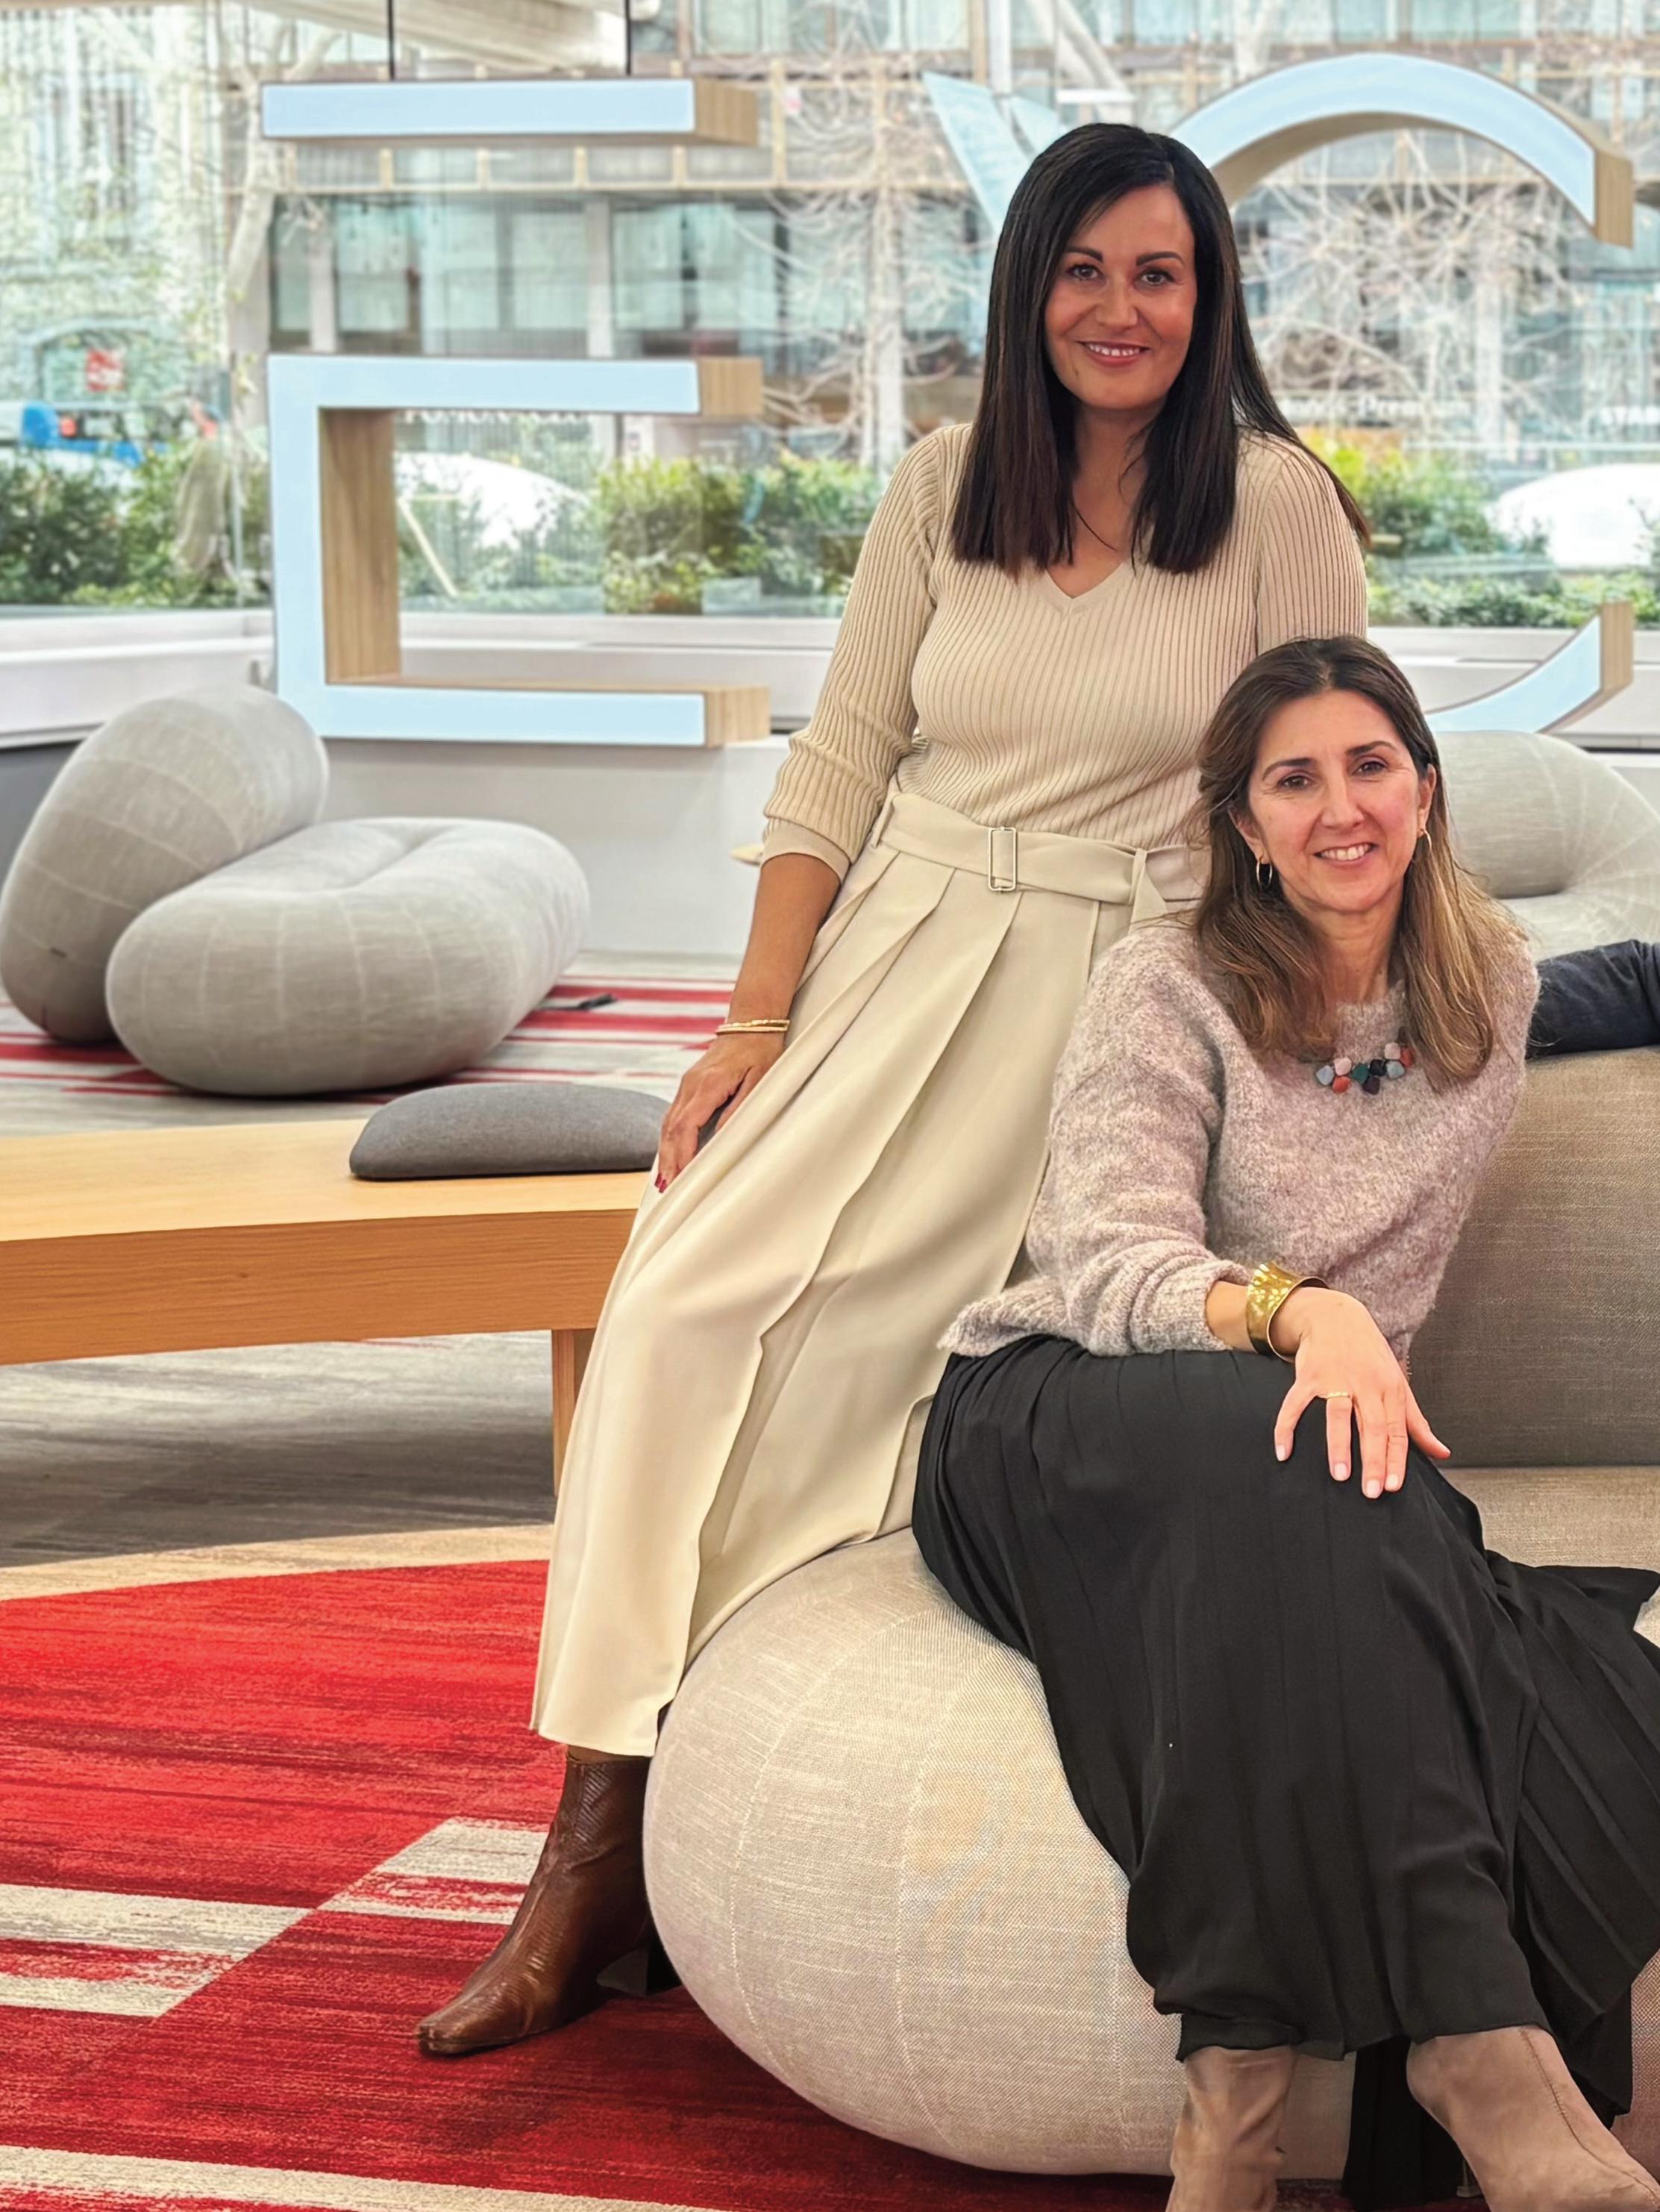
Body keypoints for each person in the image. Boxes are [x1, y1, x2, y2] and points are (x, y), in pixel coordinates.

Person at [416, 122, 1373, 2058]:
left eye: (1160, 272)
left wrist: (1310, 1044)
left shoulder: (1276, 503)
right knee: (678, 1301)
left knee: (885, 1358)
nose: (1120, 308)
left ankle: (668, 1820)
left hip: (1114, 991)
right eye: (1083, 269)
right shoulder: (944, 481)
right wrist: (749, 1023)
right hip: (896, 956)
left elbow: (1329, 779)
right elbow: (840, 763)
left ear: (1210, 297)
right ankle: (590, 1829)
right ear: (1026, 289)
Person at [912, 632, 1660, 2212]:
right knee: (1299, 1456)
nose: (1340, 809)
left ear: (1425, 790)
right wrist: (1301, 1312)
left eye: (1370, 765)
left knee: (1340, 1534)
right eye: (1293, 781)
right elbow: (1106, 1259)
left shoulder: (1489, 991)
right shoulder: (1164, 983)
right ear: (1245, 827)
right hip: (1065, 1419)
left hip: (1311, 1462)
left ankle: (1234, 2115)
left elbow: (1643, 976)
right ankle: (1479, 2056)